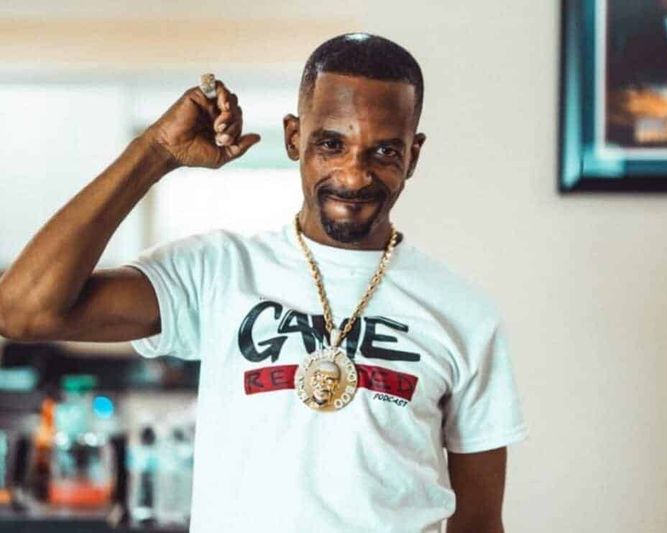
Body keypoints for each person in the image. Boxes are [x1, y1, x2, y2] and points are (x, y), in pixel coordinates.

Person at [0, 33, 528, 532]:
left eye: (385, 151)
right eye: (331, 144)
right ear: (294, 137)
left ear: (412, 155)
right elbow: (22, 311)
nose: (354, 175)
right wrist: (155, 151)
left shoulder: (463, 315)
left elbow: (480, 524)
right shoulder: (218, 270)